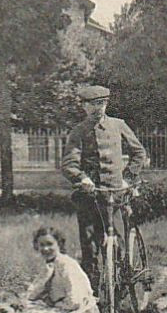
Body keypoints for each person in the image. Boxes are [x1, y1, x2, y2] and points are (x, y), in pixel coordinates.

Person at [60, 84, 149, 280]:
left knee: (116, 241)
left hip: (116, 193)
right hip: (90, 196)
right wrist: (82, 178)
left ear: (106, 104)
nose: (98, 108)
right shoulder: (78, 132)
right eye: (92, 105)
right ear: (84, 106)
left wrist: (128, 178)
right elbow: (68, 164)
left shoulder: (118, 125)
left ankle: (121, 282)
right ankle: (95, 295)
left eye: (102, 103)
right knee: (90, 248)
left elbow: (139, 152)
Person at [22, 226, 99, 313]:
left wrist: (55, 304)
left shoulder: (66, 265)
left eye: (50, 244)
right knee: (20, 308)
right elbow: (32, 295)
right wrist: (45, 277)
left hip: (80, 310)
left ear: (59, 244)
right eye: (42, 245)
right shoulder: (50, 265)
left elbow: (75, 300)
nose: (45, 249)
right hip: (62, 305)